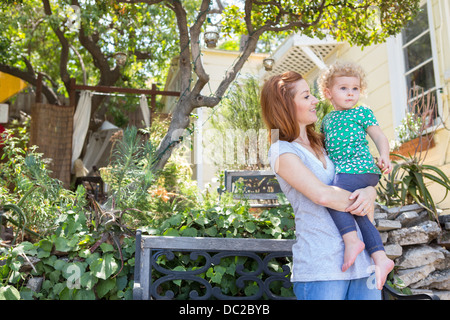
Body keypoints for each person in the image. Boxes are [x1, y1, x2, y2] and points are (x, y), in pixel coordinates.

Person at [261, 70, 381, 300]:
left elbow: (356, 176)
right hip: (322, 267)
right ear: (285, 105)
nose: (315, 100)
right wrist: (364, 197)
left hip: (362, 263)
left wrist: (369, 190)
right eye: (306, 96)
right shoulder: (282, 151)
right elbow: (322, 195)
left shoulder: (326, 143)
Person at [318, 61, 394, 288]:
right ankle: (380, 257)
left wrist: (384, 155)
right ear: (328, 93)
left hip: (360, 169)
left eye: (355, 88)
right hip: (346, 174)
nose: (351, 93)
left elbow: (379, 136)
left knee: (332, 196)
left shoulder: (362, 112)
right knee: (358, 211)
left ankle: (351, 241)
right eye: (343, 88)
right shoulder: (327, 120)